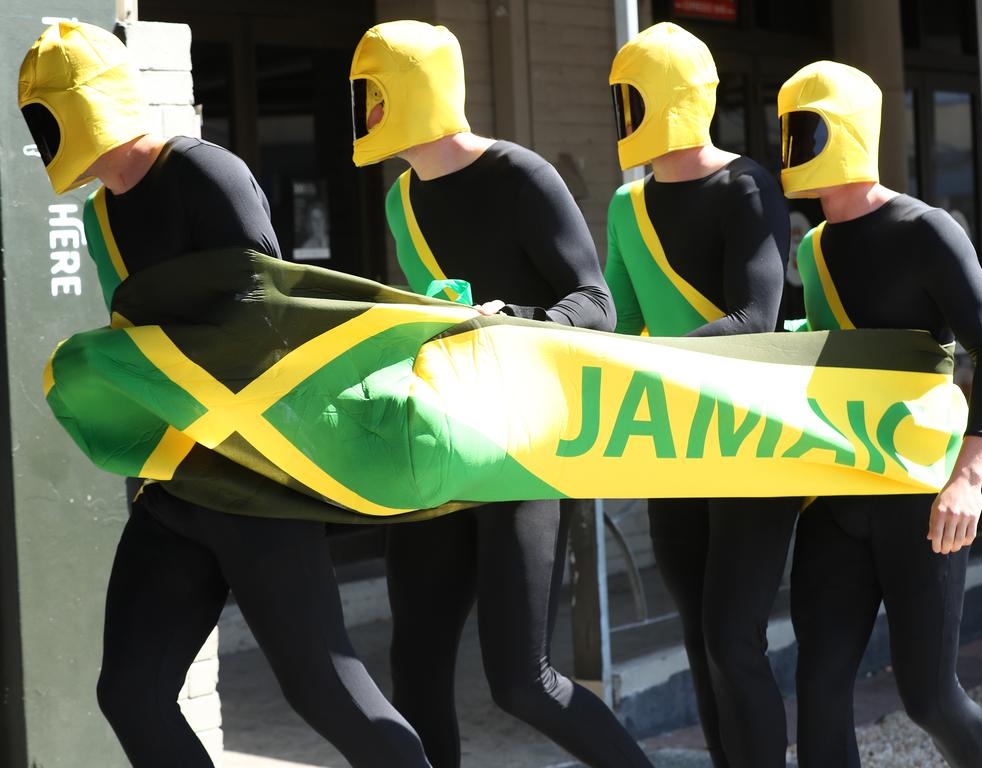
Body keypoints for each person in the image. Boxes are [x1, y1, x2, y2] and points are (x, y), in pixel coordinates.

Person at [19, 22, 431, 768]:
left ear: (82, 106)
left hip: (256, 480)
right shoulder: (100, 214)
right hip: (177, 479)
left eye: (45, 114)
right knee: (132, 692)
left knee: (323, 689)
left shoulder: (208, 173)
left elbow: (276, 325)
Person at [349, 20, 653, 768]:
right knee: (414, 663)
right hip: (440, 443)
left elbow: (597, 305)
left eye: (372, 92)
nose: (362, 109)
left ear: (412, 89)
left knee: (522, 681)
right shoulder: (400, 202)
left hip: (524, 448)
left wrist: (511, 319)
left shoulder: (522, 175)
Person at [778, 61, 982, 768]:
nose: (790, 142)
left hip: (922, 497)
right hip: (837, 493)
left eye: (804, 125)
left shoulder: (926, 229)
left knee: (928, 697)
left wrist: (969, 476)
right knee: (818, 688)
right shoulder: (813, 246)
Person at [604, 22, 797, 768]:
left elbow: (757, 320)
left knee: (730, 637)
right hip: (671, 448)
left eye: (633, 95)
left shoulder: (749, 185)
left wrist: (650, 361)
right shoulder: (627, 207)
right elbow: (614, 325)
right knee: (699, 637)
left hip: (749, 444)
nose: (623, 111)